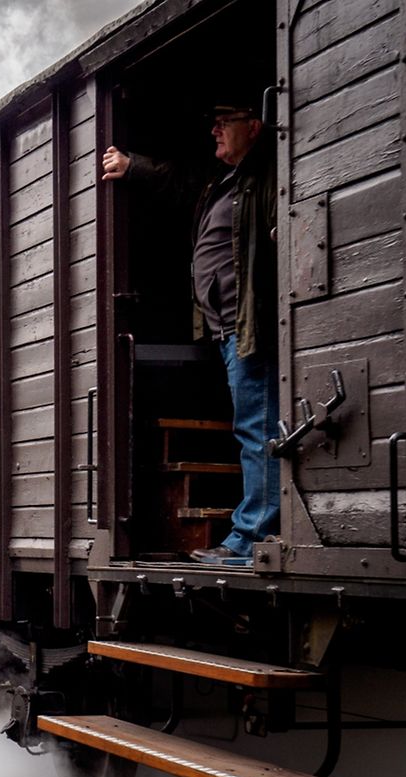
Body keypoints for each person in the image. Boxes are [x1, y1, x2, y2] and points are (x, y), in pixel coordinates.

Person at [101, 98, 278, 565]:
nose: (215, 130)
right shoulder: (223, 181)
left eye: (225, 122)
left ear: (253, 127)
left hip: (251, 326)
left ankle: (251, 540)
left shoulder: (265, 177)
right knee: (251, 429)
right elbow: (178, 181)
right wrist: (133, 166)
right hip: (227, 330)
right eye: (213, 123)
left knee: (257, 431)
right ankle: (250, 533)